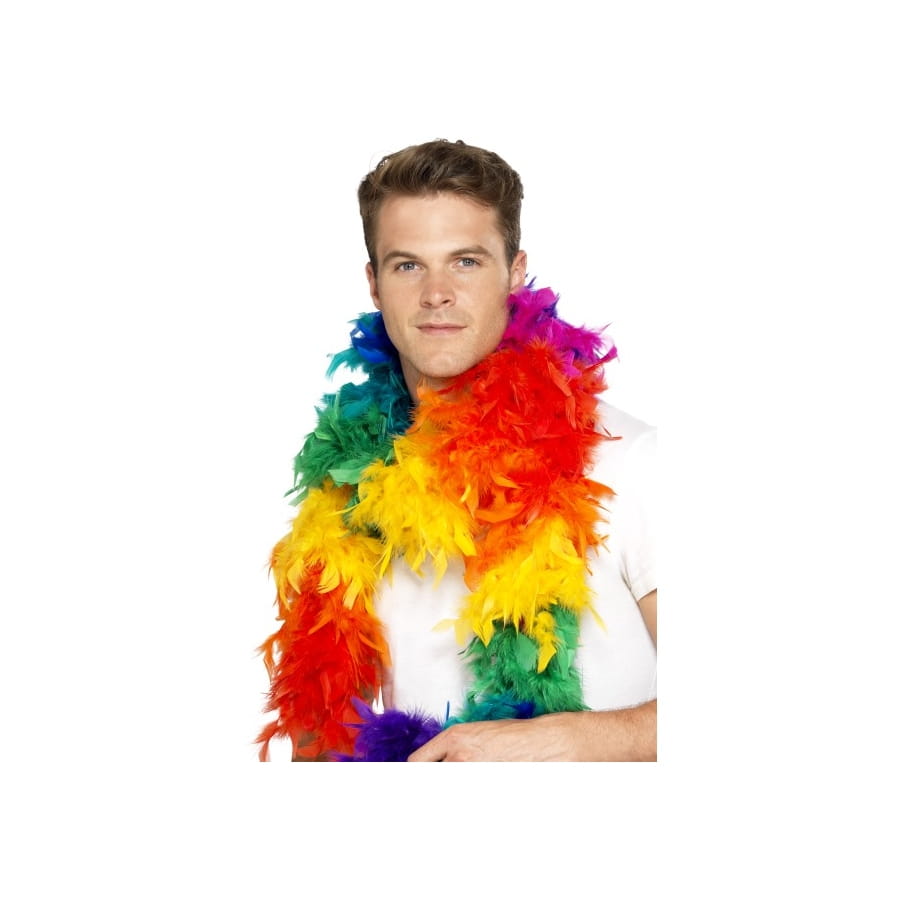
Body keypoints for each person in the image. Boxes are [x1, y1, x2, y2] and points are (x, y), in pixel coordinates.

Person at [257, 139, 656, 762]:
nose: (436, 293)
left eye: (466, 261)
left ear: (515, 272)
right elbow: (325, 729)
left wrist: (563, 740)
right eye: (407, 265)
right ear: (374, 283)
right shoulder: (346, 481)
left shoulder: (629, 460)